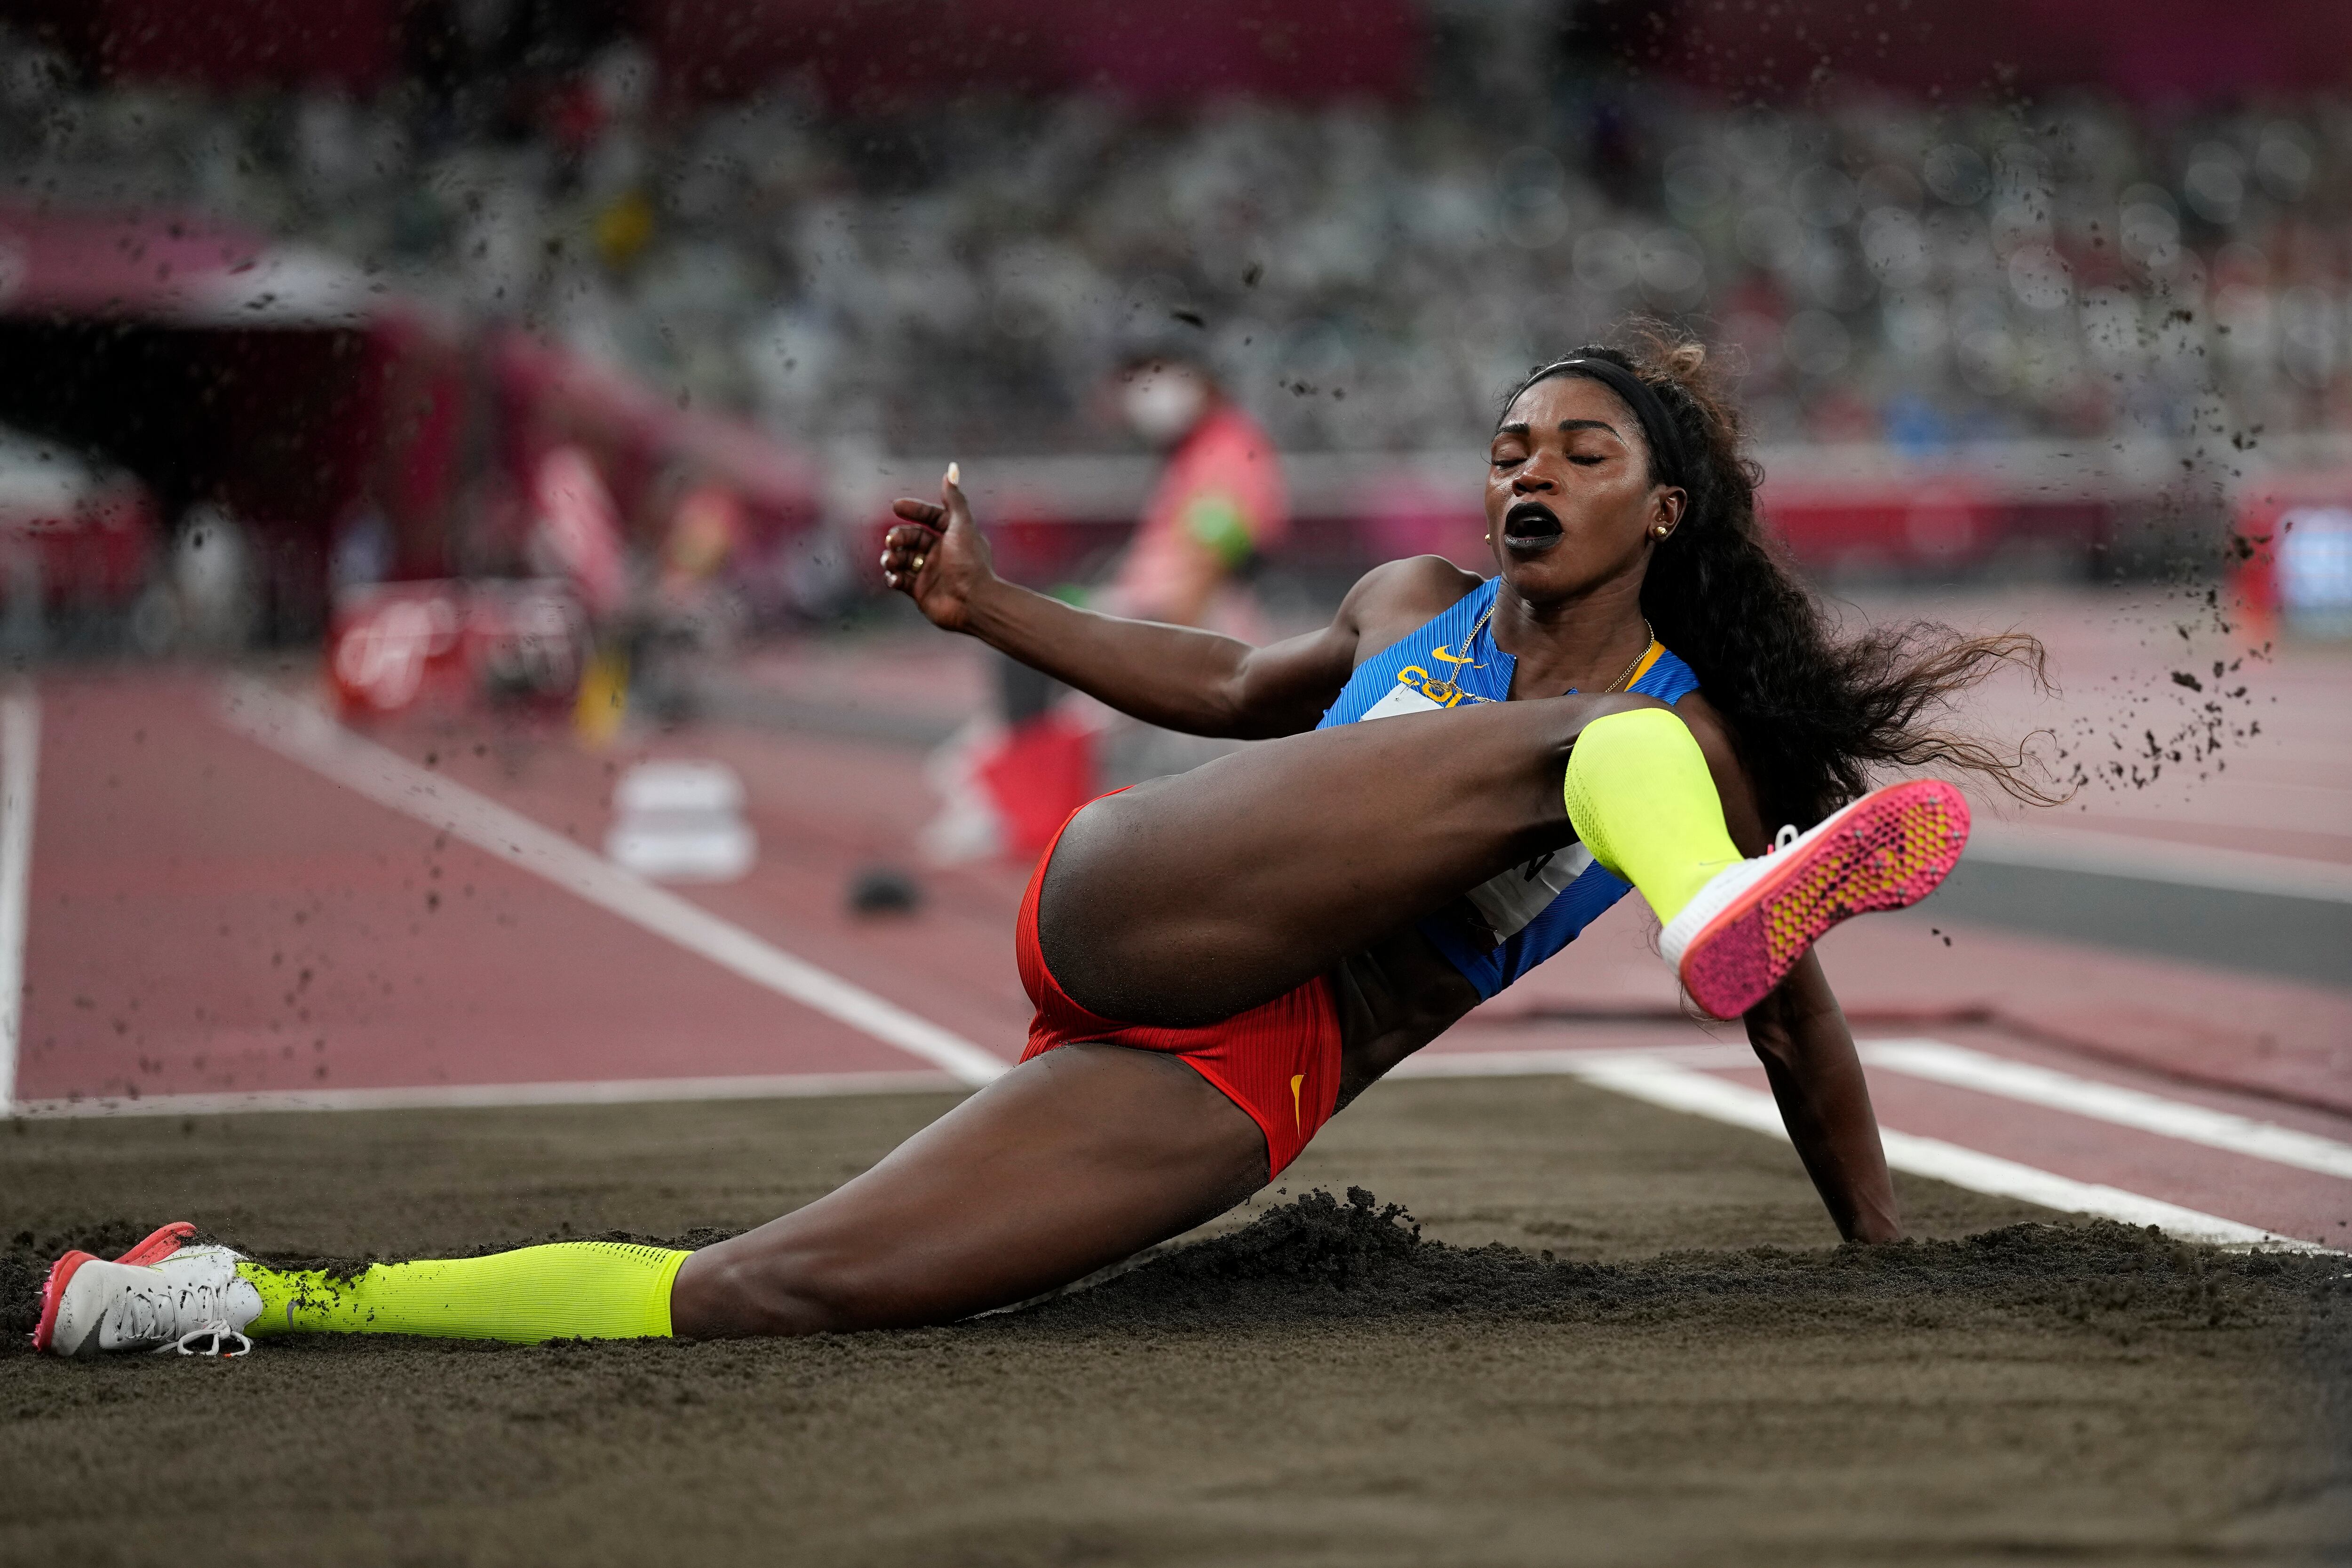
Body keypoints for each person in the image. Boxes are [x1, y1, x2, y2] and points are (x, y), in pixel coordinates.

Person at [32, 326, 2045, 1358]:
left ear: (1662, 514)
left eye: (1575, 453)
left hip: (1239, 1068)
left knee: (771, 1298)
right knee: (1606, 751)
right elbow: (1214, 678)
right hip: (1148, 897)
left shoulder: (1692, 738)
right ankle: (1706, 904)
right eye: (1508, 442)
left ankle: (230, 1298)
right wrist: (990, 609)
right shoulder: (1419, 610)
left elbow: (1791, 1022)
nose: (1523, 470)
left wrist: (1873, 1246)